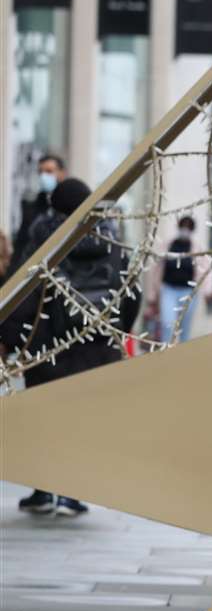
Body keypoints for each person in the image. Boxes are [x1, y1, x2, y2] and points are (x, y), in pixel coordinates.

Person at [2, 178, 134, 516]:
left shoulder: (43, 236)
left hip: (48, 343)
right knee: (82, 419)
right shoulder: (111, 237)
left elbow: (23, 287)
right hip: (96, 343)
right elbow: (130, 292)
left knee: (43, 416)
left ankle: (44, 490)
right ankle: (74, 493)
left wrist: (13, 335)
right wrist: (117, 332)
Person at [153, 215, 206, 343]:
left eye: (188, 228)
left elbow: (203, 269)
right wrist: (153, 293)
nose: (185, 230)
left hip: (188, 292)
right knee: (167, 323)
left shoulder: (196, 247)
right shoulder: (168, 245)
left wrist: (205, 290)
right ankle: (167, 351)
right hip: (168, 289)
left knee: (184, 327)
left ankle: (182, 354)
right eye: (183, 227)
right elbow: (156, 269)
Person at [17, 153, 68, 239]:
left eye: (49, 171)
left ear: (62, 173)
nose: (43, 176)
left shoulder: (70, 203)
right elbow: (23, 239)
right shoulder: (32, 206)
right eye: (40, 172)